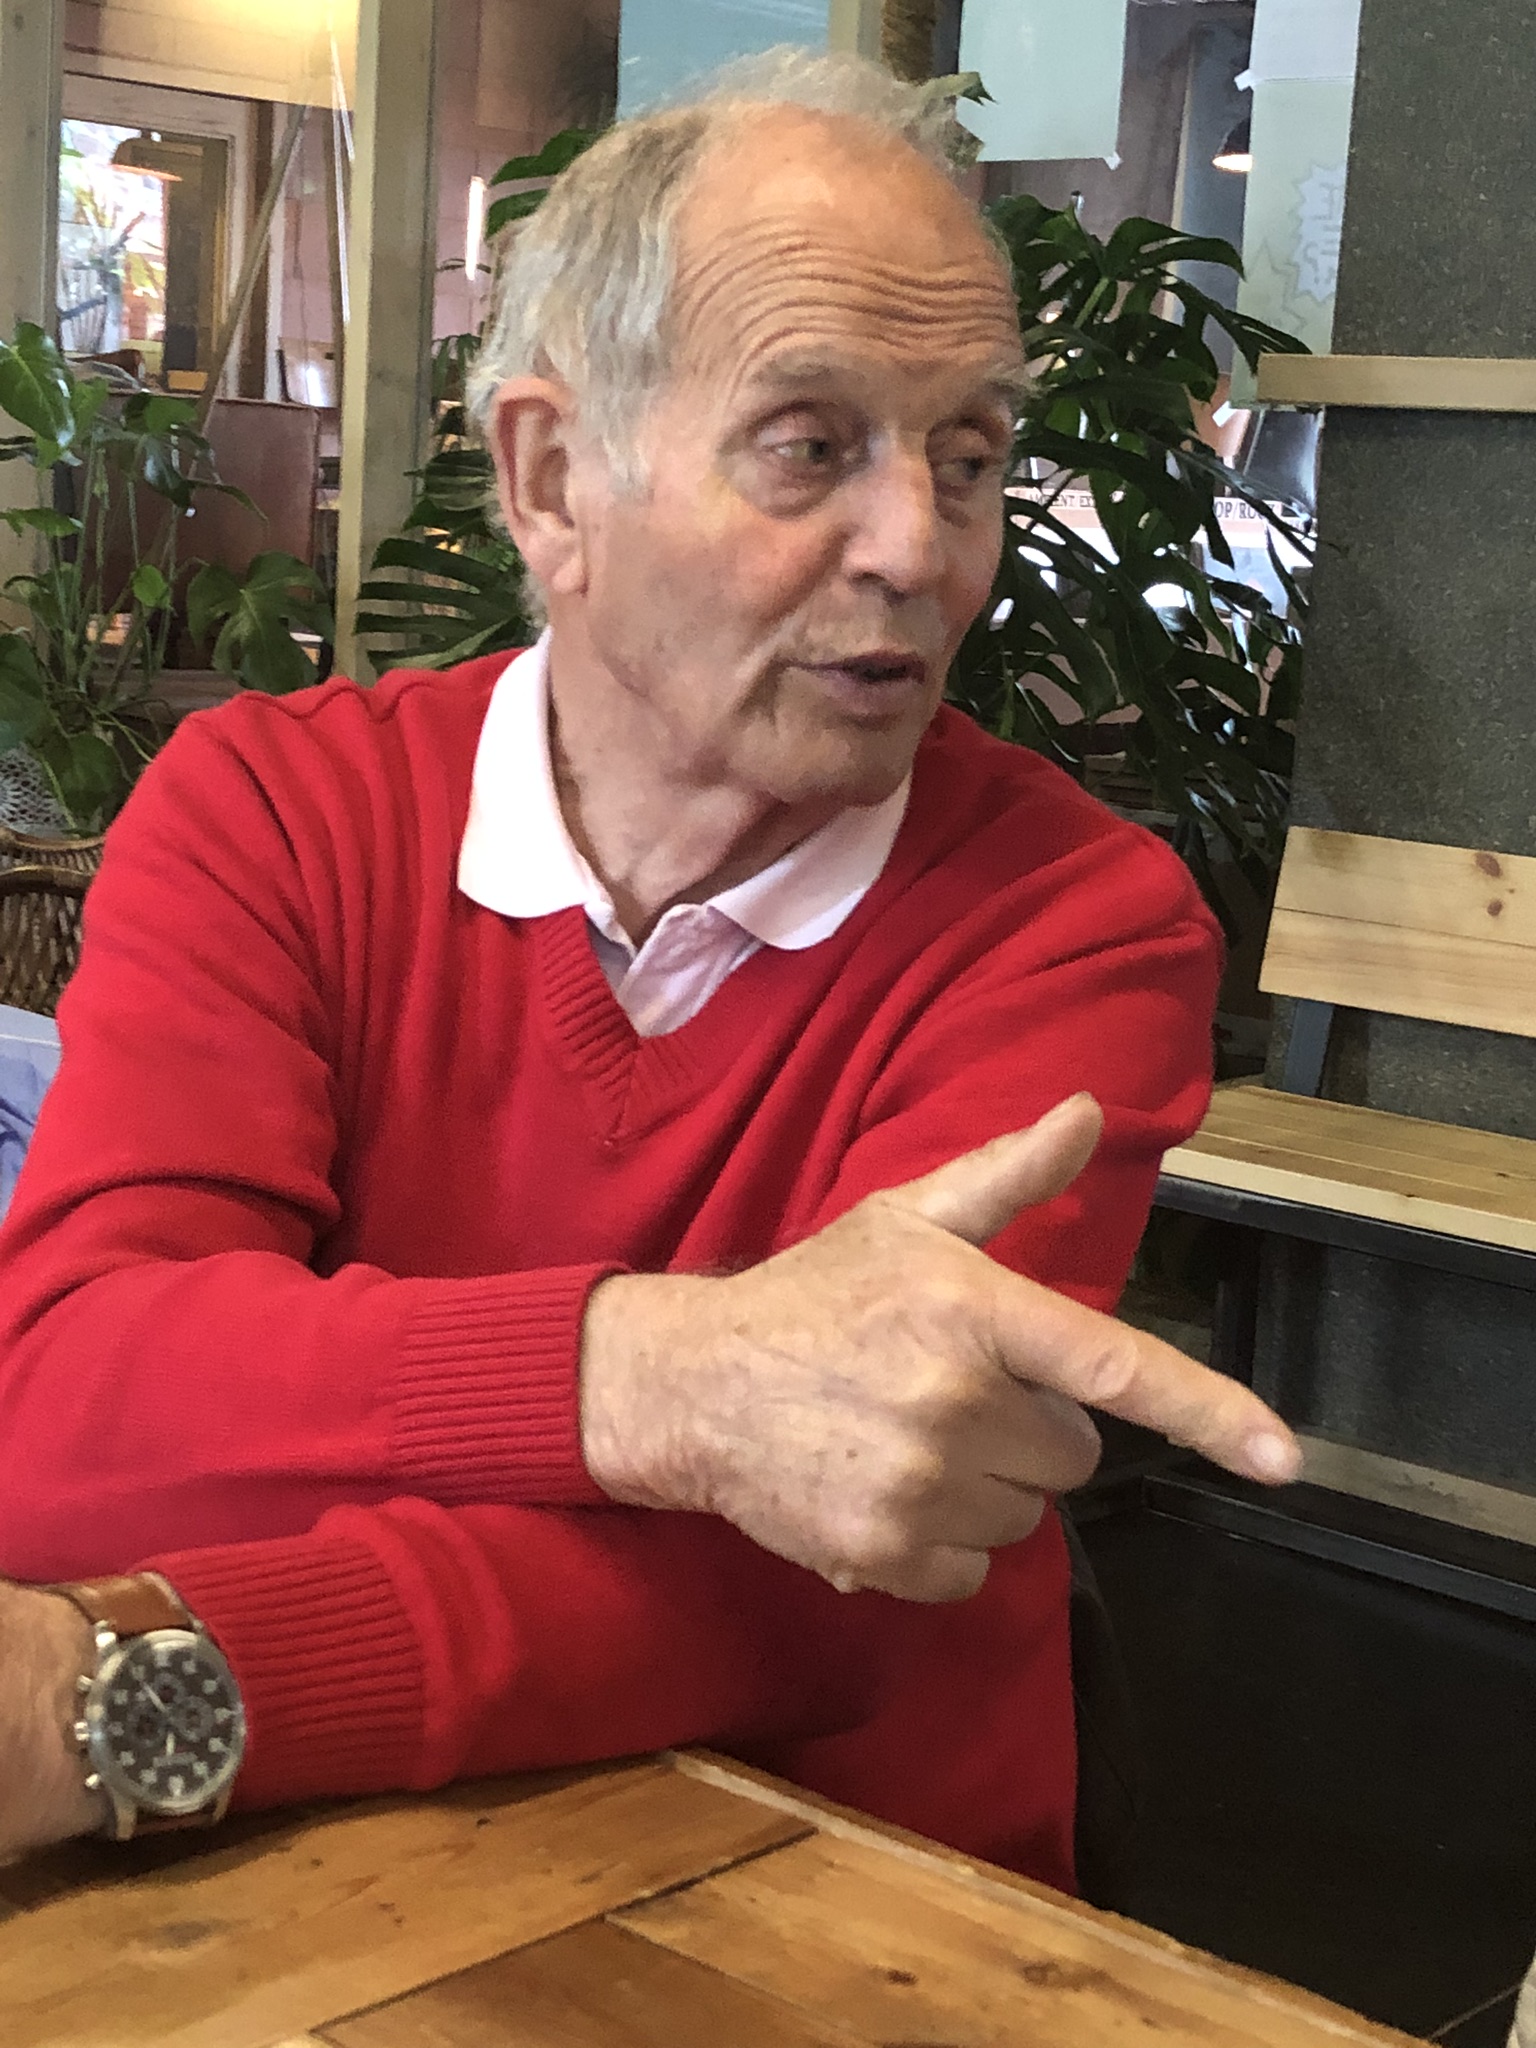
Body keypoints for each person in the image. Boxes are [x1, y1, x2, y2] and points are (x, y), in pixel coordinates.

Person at [0, 49, 1300, 1883]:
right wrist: (667, 1383)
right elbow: (68, 1413)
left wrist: (109, 1697)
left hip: (823, 1907)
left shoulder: (1072, 920)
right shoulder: (276, 815)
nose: (922, 551)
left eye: (969, 456)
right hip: (287, 1870)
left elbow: (824, 1577)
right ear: (551, 481)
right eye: (809, 446)